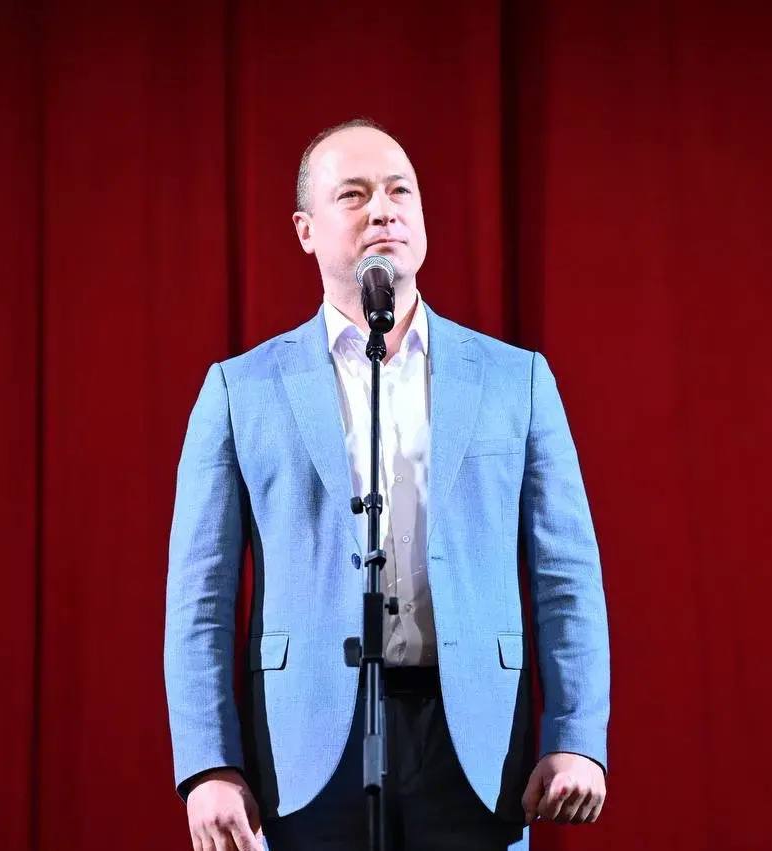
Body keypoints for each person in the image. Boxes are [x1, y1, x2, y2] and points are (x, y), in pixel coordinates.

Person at [165, 118, 609, 851]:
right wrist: (210, 763)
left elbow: (567, 575)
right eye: (354, 194)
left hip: (475, 743)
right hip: (305, 747)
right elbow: (199, 598)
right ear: (306, 230)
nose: (383, 210)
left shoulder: (517, 380)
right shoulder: (241, 391)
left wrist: (577, 735)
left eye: (400, 191)